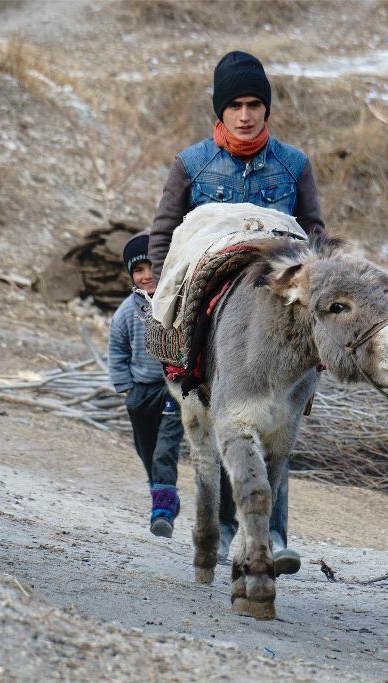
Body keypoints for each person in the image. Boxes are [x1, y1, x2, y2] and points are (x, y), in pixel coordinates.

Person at [148, 50, 324, 576]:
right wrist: (163, 288)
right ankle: (227, 531)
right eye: (235, 106)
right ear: (220, 111)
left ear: (266, 109)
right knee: (225, 411)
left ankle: (273, 534)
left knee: (280, 415)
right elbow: (167, 232)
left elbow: (314, 231)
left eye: (254, 105)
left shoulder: (294, 165)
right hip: (216, 292)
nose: (245, 115)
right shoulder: (191, 164)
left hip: (275, 301)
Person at [108, 232, 185, 538]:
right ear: (131, 276)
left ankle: (162, 511)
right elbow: (117, 351)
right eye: (138, 270)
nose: (146, 275)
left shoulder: (179, 303)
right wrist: (127, 389)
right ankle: (164, 494)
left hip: (173, 387)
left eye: (152, 267)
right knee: (147, 449)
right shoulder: (126, 312)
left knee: (165, 449)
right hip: (140, 391)